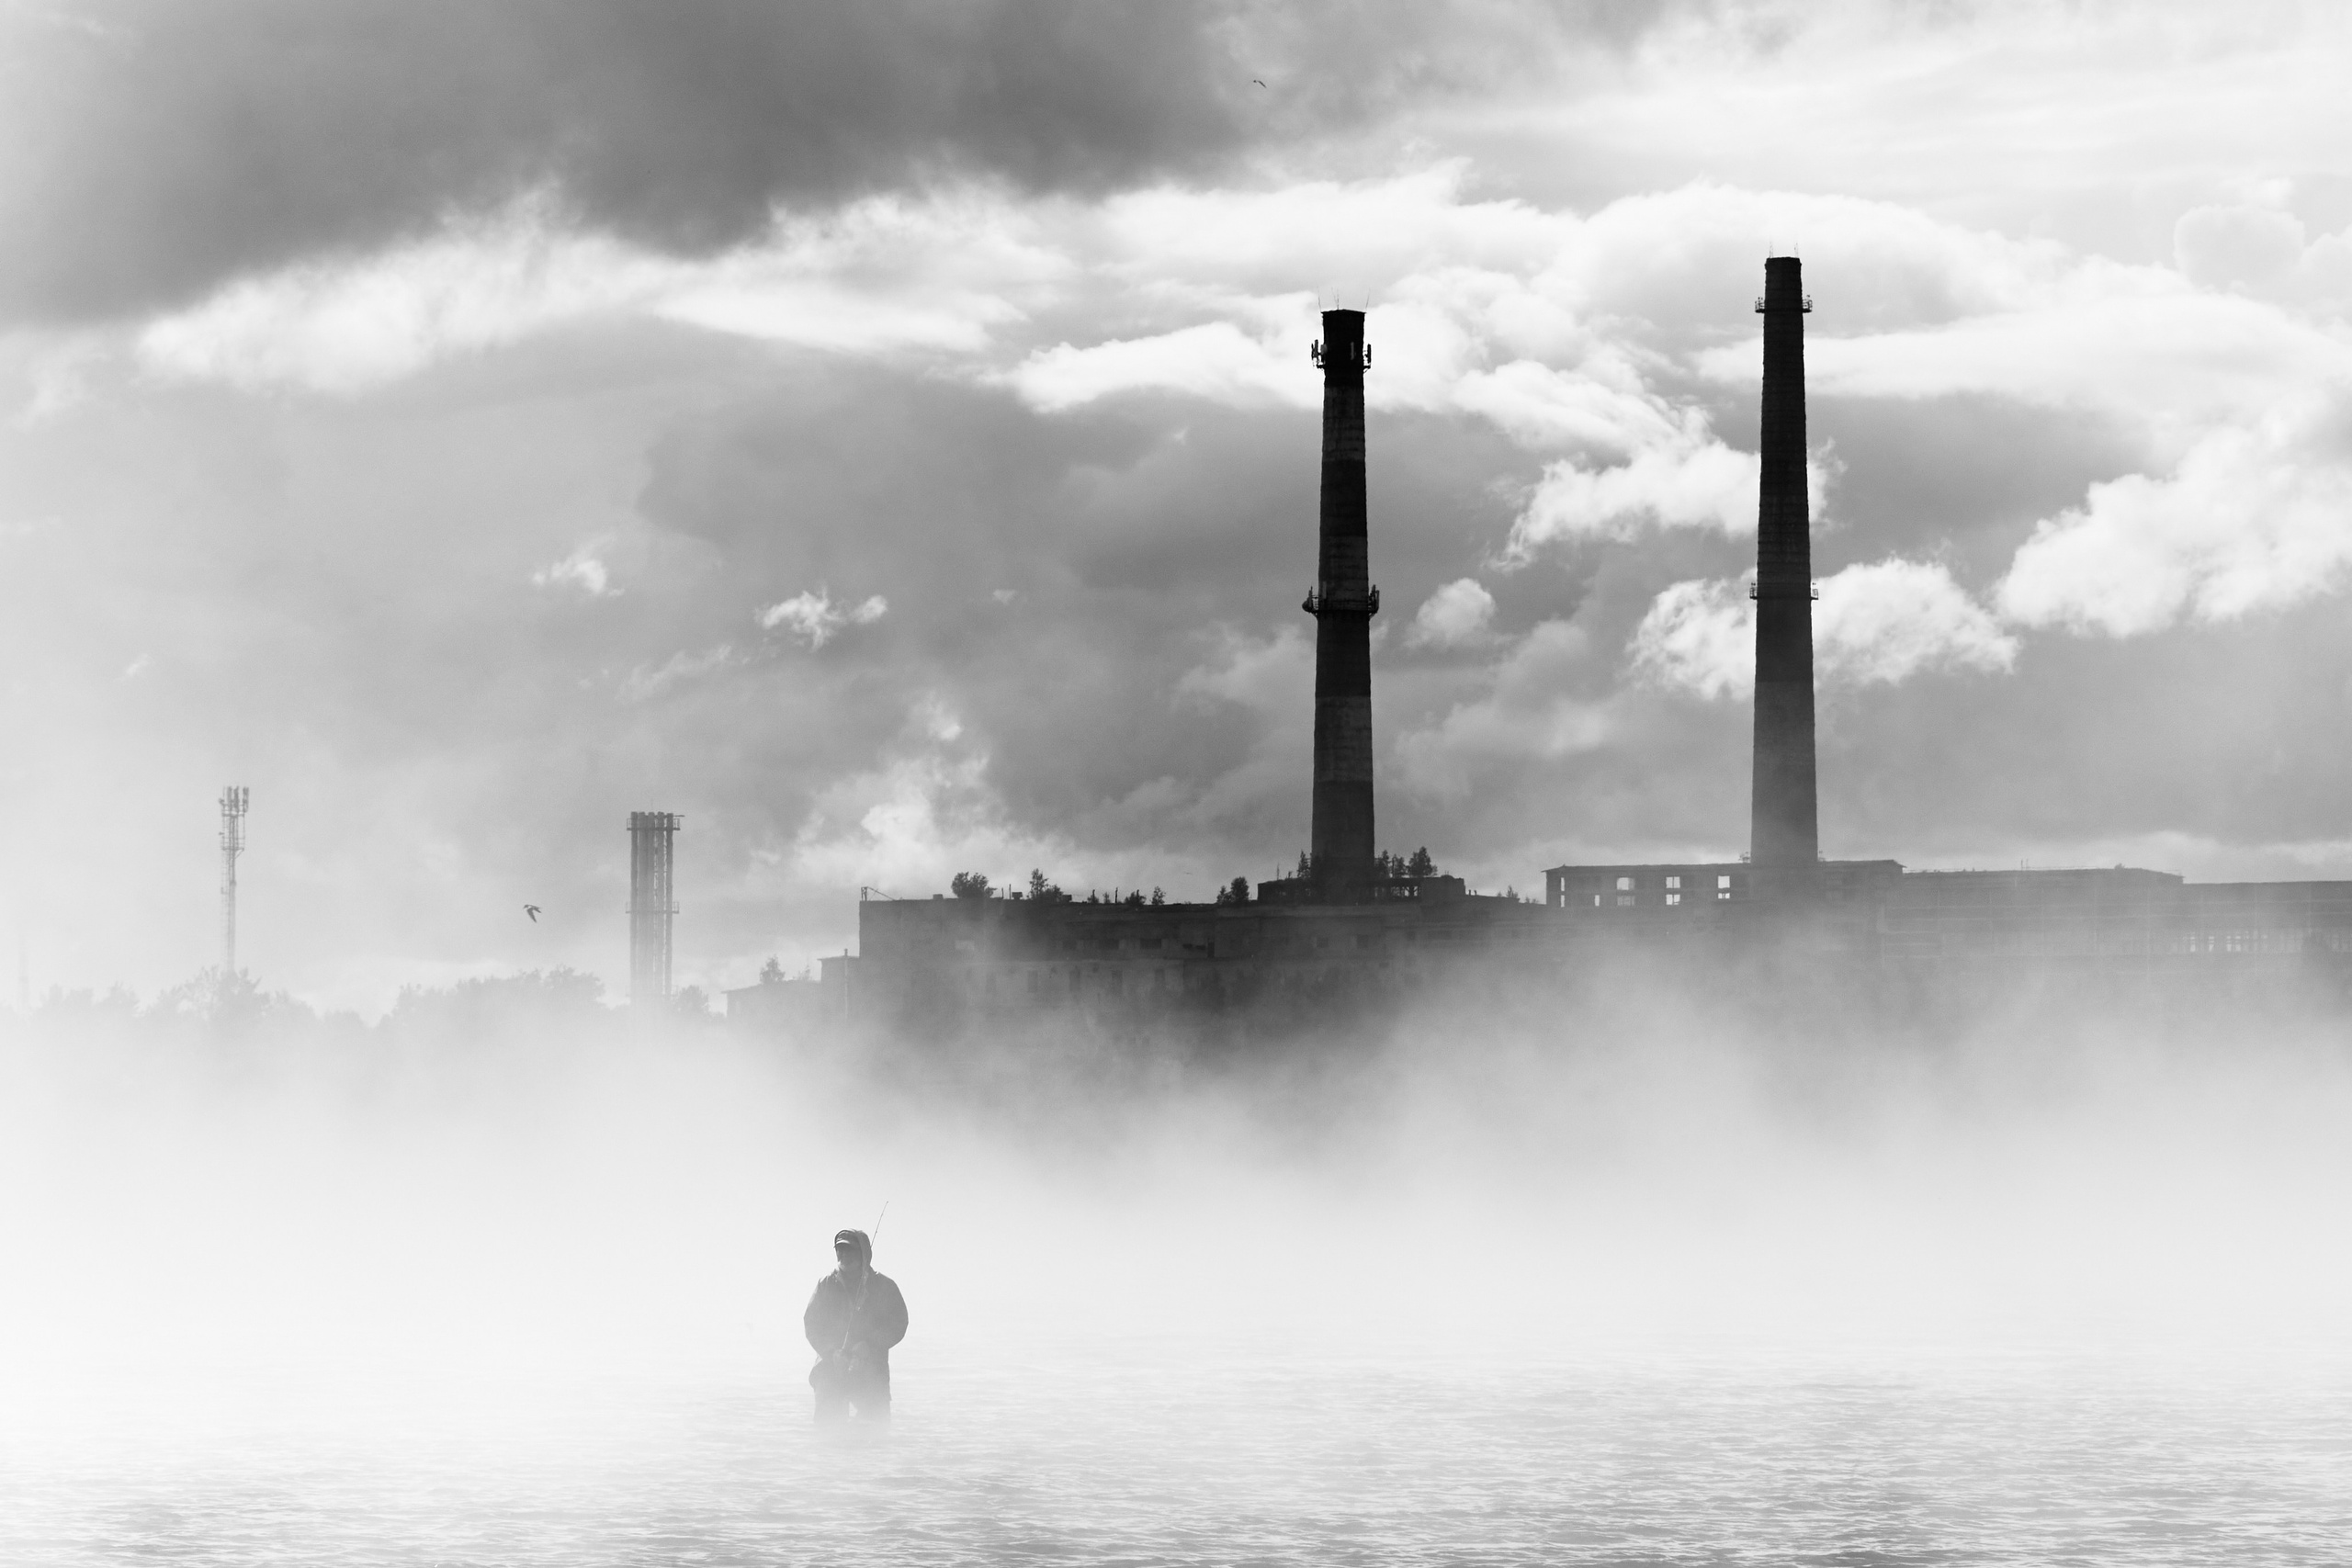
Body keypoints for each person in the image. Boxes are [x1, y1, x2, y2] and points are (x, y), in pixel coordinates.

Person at [804, 1227, 908, 1423]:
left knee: (876, 1431)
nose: (844, 1255)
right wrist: (832, 1351)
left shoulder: (885, 1286)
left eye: (850, 1250)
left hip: (871, 1369)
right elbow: (812, 1325)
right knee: (828, 1434)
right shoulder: (824, 1286)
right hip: (830, 1367)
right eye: (839, 1250)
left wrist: (870, 1344)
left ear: (864, 1254)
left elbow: (899, 1323)